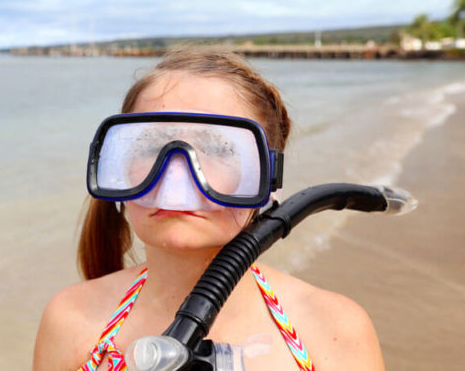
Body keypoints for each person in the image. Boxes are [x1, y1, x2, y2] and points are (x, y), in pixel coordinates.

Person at [33, 47, 384, 370]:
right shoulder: (71, 319)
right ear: (118, 164)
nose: (175, 175)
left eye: (219, 148)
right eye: (151, 145)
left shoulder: (333, 328)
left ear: (266, 176)